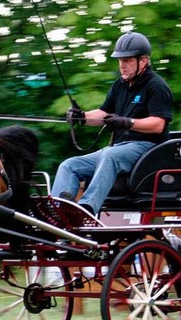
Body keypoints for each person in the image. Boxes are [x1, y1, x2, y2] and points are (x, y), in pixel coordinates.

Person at [51, 31, 173, 215]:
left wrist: (127, 123)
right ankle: (58, 211)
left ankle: (86, 209)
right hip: (119, 148)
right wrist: (82, 117)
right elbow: (104, 114)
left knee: (110, 155)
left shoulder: (156, 86)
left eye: (128, 60)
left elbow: (158, 124)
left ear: (144, 60)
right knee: (70, 165)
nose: (122, 65)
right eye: (120, 60)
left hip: (146, 148)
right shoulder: (120, 85)